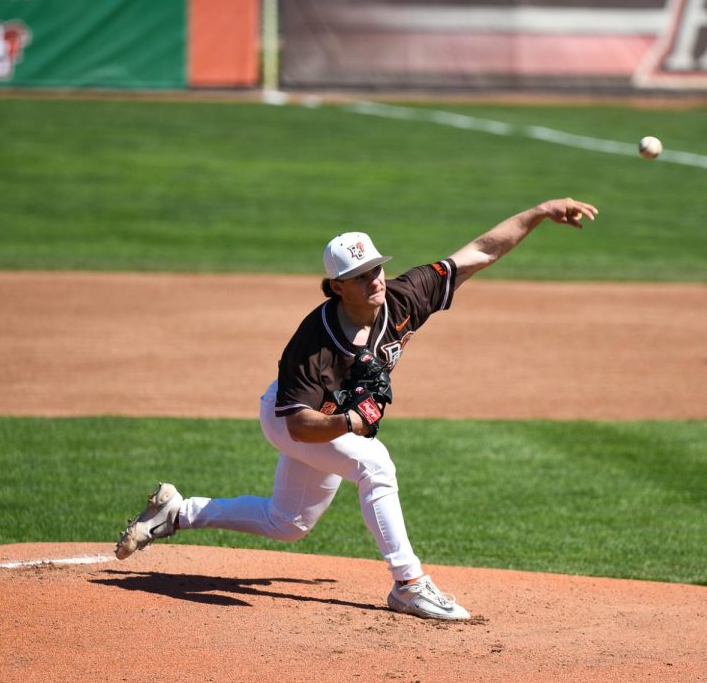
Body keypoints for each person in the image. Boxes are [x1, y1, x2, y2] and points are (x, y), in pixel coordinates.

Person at [115, 197, 599, 621]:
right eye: (359, 276)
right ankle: (409, 585)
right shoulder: (312, 345)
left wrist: (539, 212)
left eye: (376, 269)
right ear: (337, 287)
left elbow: (478, 253)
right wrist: (351, 420)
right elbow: (301, 427)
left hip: (326, 420)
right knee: (376, 463)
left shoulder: (404, 297)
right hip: (292, 419)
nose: (374, 280)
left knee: (288, 524)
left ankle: (177, 513)